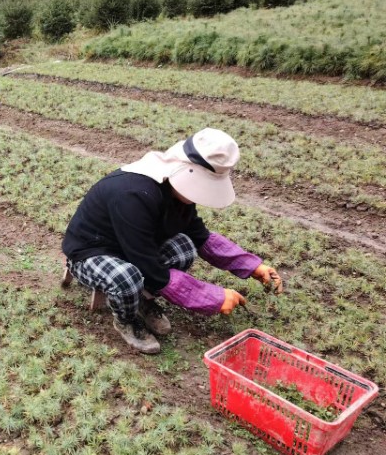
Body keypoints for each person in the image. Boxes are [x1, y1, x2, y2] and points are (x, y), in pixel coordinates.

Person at [62, 128, 283, 354]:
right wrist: (212, 297)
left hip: (134, 245)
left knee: (185, 247)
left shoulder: (176, 192)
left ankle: (140, 299)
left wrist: (253, 266)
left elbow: (200, 236)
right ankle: (126, 320)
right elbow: (150, 267)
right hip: (92, 251)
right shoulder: (134, 194)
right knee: (125, 278)